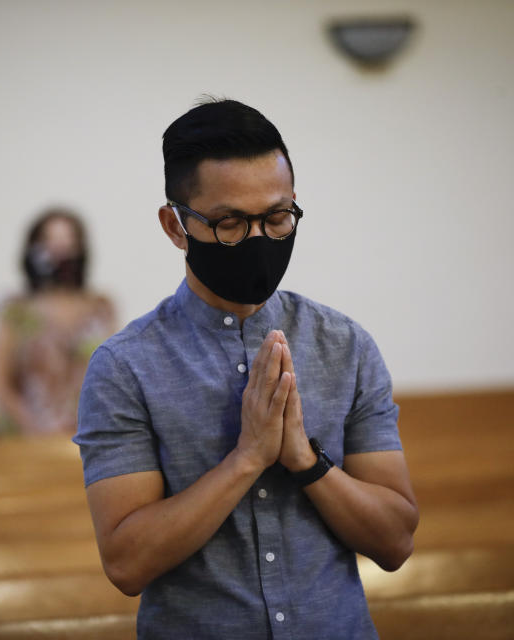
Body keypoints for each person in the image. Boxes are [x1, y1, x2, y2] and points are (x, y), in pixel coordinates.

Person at [74, 99, 419, 639]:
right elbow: (126, 563)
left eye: (278, 218)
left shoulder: (345, 346)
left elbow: (396, 541)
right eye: (231, 223)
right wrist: (247, 458)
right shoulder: (126, 367)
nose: (259, 240)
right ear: (174, 225)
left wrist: (305, 459)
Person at [0, 209, 115, 435]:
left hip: (89, 435)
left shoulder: (100, 308)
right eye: (50, 240)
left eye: (68, 240)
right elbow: (1, 384)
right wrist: (34, 428)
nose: (60, 251)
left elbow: (112, 376)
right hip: (31, 437)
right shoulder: (17, 311)